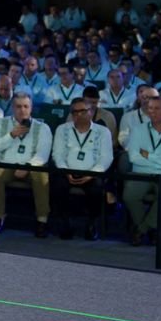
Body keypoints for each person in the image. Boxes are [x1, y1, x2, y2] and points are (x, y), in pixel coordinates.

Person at [121, 91, 161, 246]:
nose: (152, 112)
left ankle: (141, 230)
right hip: (141, 173)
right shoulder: (138, 130)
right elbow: (133, 157)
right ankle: (153, 230)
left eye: (157, 108)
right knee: (129, 196)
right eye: (150, 108)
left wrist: (148, 155)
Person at [0, 94, 54, 236]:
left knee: (41, 176)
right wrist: (11, 135)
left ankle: (42, 219)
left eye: (26, 106)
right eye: (18, 106)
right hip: (7, 164)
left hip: (32, 166)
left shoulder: (43, 127)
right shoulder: (0, 123)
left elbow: (43, 154)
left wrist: (27, 167)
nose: (22, 110)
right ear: (12, 107)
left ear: (31, 108)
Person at [51, 98, 113, 240]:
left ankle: (91, 223)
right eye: (75, 112)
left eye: (83, 111)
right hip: (66, 171)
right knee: (58, 185)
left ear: (91, 112)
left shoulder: (103, 131)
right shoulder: (62, 129)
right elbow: (57, 154)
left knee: (97, 188)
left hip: (92, 172)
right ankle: (65, 222)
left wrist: (92, 174)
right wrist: (66, 171)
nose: (79, 115)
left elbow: (106, 157)